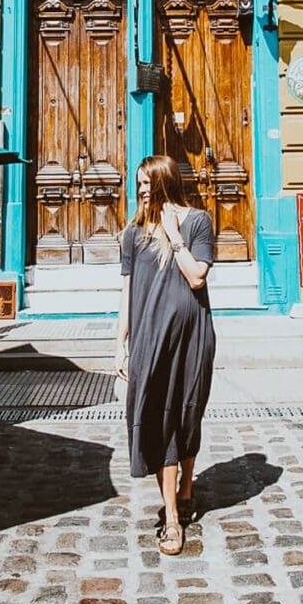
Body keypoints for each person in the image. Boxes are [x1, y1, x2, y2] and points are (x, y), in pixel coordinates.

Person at [116, 155, 216, 557]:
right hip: (149, 340)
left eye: (147, 183)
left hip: (192, 337)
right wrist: (119, 343)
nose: (141, 190)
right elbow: (126, 292)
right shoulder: (132, 233)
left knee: (187, 416)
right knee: (160, 421)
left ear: (165, 182)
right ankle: (172, 518)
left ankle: (187, 487)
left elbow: (196, 276)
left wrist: (174, 237)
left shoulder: (196, 222)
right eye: (138, 183)